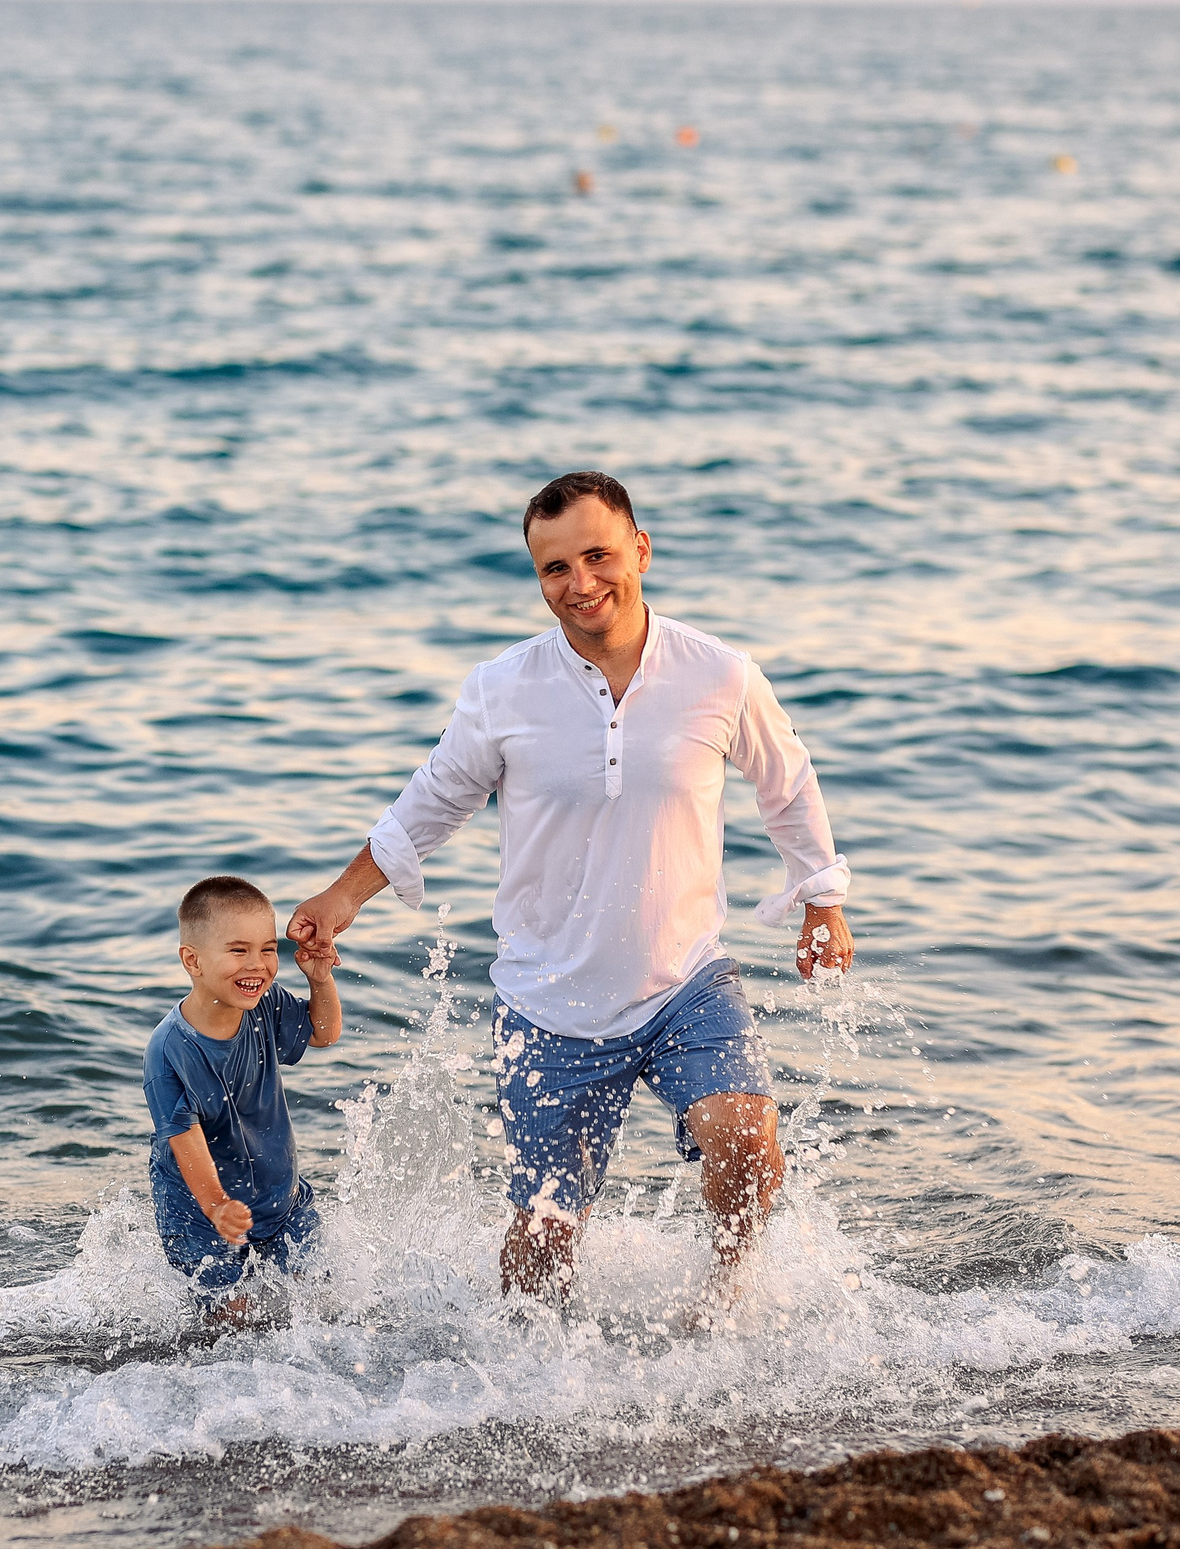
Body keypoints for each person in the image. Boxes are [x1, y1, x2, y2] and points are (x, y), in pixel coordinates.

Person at [287, 472, 854, 1309]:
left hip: (684, 980)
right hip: (549, 1001)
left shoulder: (721, 675)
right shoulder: (503, 687)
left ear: (641, 550)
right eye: (555, 568)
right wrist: (343, 898)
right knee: (548, 1232)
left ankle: (724, 1309)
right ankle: (527, 1375)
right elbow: (434, 798)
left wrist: (822, 898)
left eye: (598, 555)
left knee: (748, 1140)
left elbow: (787, 781)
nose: (581, 583)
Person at [144, 875, 342, 1307]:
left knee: (320, 1303)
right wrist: (215, 1206)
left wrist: (320, 980)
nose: (257, 965)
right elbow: (183, 1136)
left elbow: (324, 1034)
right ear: (192, 961)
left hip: (279, 1194)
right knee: (231, 1320)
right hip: (198, 1210)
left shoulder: (265, 1004)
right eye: (238, 951)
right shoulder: (169, 1050)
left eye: (268, 949)